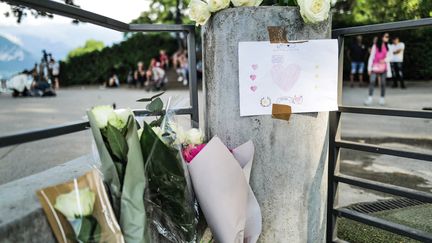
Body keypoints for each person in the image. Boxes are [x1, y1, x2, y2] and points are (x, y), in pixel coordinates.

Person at [365, 33, 392, 106]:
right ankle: (369, 98)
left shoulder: (388, 46)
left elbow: (390, 57)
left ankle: (382, 99)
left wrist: (384, 60)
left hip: (384, 67)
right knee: (372, 81)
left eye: (388, 37)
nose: (387, 38)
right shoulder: (375, 46)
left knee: (383, 83)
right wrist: (369, 68)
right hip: (375, 67)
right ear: (382, 37)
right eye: (386, 36)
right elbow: (371, 57)